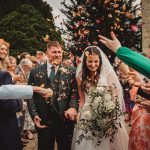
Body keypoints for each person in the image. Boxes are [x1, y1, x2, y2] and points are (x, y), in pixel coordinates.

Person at [72, 46, 128, 150]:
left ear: (100, 60)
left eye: (96, 61)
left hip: (107, 114)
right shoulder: (80, 75)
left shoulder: (108, 73)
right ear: (85, 61)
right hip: (87, 114)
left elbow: (115, 96)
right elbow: (82, 99)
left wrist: (110, 114)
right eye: (90, 61)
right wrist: (80, 113)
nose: (93, 64)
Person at [28, 41, 79, 150]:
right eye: (54, 52)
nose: (57, 54)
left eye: (59, 52)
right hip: (44, 119)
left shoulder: (71, 71)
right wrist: (34, 114)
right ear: (47, 53)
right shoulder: (35, 72)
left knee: (65, 147)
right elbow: (30, 95)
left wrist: (73, 107)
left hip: (65, 119)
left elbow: (74, 93)